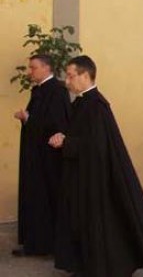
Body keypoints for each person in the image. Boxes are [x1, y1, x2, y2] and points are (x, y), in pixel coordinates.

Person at [48, 56, 143, 276]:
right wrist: (63, 136)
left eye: (71, 75)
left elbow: (95, 146)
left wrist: (67, 142)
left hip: (96, 179)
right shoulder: (82, 103)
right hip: (83, 175)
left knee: (102, 224)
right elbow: (81, 135)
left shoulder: (96, 106)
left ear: (85, 76)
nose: (67, 81)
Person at [12, 54, 71, 256]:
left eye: (33, 68)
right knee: (35, 197)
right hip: (35, 155)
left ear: (46, 68)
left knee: (47, 198)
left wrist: (29, 118)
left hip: (48, 158)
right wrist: (27, 119)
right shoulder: (39, 90)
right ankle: (35, 243)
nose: (30, 72)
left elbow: (58, 123)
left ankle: (50, 245)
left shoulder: (57, 90)